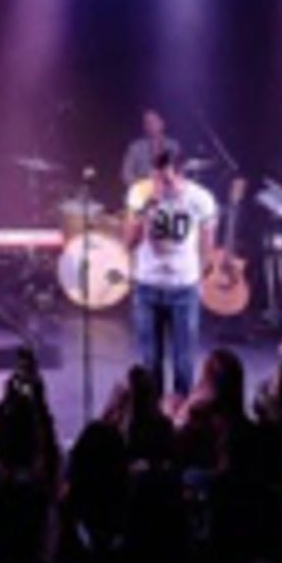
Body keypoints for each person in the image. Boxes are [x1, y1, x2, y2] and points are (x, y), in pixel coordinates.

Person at [123, 149, 218, 399]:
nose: (160, 185)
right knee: (150, 360)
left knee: (183, 361)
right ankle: (152, 413)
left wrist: (201, 276)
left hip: (183, 289)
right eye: (155, 177)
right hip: (147, 286)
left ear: (181, 174)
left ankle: (181, 413)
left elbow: (208, 245)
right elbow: (129, 241)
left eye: (166, 179)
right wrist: (146, 208)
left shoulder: (200, 198)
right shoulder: (140, 193)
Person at [120, 109, 181, 188]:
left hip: (168, 190)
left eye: (153, 121)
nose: (150, 125)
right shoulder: (135, 148)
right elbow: (126, 174)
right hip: (142, 190)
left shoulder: (172, 146)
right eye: (147, 122)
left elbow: (179, 171)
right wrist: (141, 186)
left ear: (162, 123)